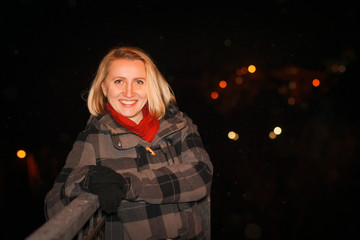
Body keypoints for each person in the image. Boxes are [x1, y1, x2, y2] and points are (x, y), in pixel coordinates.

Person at [44, 46, 213, 240]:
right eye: (119, 81)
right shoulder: (93, 138)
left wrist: (126, 184)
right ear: (104, 88)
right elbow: (54, 207)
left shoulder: (179, 125)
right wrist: (85, 180)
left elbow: (201, 175)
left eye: (139, 82)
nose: (129, 92)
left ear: (150, 86)